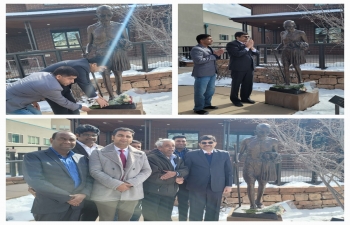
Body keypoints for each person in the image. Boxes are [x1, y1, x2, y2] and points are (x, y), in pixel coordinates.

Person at [22, 131, 92, 221]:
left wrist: (84, 194)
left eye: (71, 140)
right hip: (50, 208)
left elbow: (89, 178)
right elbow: (36, 180)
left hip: (77, 207)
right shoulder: (34, 156)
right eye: (62, 139)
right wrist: (68, 197)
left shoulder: (81, 158)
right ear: (51, 140)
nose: (67, 142)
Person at [89, 127, 151, 221]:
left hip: (130, 191)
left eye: (128, 136)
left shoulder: (140, 154)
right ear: (113, 137)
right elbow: (95, 171)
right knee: (106, 220)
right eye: (120, 135)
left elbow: (146, 171)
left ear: (131, 139)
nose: (124, 138)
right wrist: (117, 184)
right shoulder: (98, 152)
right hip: (106, 192)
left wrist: (131, 183)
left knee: (125, 220)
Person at [86, 5, 133, 100]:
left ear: (112, 15)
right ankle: (111, 96)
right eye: (103, 16)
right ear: (97, 15)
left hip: (117, 54)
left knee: (118, 73)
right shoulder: (91, 28)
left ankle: (119, 93)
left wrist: (124, 44)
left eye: (109, 15)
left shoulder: (120, 26)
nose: (106, 18)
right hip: (101, 55)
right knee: (105, 74)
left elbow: (126, 41)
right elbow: (90, 43)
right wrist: (87, 52)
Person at [6, 66, 91, 115]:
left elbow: (30, 89)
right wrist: (81, 107)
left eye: (74, 79)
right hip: (9, 103)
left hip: (16, 98)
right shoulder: (51, 87)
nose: (72, 82)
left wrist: (34, 101)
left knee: (38, 113)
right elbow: (63, 102)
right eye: (70, 79)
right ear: (58, 77)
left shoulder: (45, 74)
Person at [185, 135, 233, 221]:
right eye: (204, 143)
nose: (207, 144)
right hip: (196, 187)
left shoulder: (224, 154)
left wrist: (228, 185)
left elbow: (228, 171)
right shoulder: (191, 154)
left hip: (216, 187)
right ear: (200, 144)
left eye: (210, 142)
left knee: (213, 211)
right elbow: (186, 170)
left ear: (215, 143)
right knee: (195, 211)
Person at [41, 57, 109, 114]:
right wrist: (97, 98)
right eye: (102, 68)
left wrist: (97, 94)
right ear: (94, 64)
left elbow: (87, 82)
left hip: (62, 87)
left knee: (73, 109)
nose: (102, 71)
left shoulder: (84, 65)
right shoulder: (80, 66)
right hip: (49, 87)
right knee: (62, 110)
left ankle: (76, 123)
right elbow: (84, 84)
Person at [142, 139, 188, 221]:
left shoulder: (177, 158)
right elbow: (154, 176)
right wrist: (176, 179)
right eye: (167, 146)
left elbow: (185, 169)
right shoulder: (151, 158)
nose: (171, 148)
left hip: (170, 193)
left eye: (173, 146)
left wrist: (175, 173)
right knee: (151, 217)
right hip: (153, 193)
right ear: (159, 148)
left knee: (165, 217)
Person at [239, 123, 280, 209]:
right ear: (256, 131)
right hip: (250, 164)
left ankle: (258, 201)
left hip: (264, 165)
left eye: (267, 132)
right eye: (261, 131)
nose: (264, 133)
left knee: (262, 183)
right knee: (250, 184)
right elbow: (240, 153)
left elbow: (276, 154)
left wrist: (273, 157)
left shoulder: (273, 141)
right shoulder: (247, 140)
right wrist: (236, 160)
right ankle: (252, 204)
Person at [73, 124, 103, 221]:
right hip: (77, 189)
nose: (91, 137)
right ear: (77, 135)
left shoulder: (102, 149)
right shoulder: (70, 147)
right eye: (86, 135)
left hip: (97, 189)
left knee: (90, 216)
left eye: (94, 135)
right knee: (74, 217)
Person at [190, 34, 224, 115]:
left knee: (210, 91)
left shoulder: (208, 48)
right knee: (200, 92)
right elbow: (198, 61)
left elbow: (212, 58)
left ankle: (206, 105)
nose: (211, 40)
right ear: (201, 40)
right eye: (209, 39)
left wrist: (217, 55)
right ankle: (198, 108)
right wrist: (214, 55)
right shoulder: (196, 49)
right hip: (202, 74)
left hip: (211, 73)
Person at [226, 31, 259, 107]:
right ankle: (235, 100)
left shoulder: (247, 45)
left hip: (249, 68)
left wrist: (252, 47)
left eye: (248, 36)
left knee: (248, 84)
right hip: (238, 68)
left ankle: (245, 98)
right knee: (236, 85)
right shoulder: (232, 44)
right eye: (245, 36)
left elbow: (257, 53)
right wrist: (247, 47)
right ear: (237, 37)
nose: (247, 38)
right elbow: (237, 54)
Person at [274, 20, 309, 85]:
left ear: (294, 25)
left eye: (290, 26)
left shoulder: (300, 33)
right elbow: (282, 43)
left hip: (295, 52)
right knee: (285, 67)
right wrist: (277, 48)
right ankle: (287, 82)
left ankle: (300, 81)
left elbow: (306, 43)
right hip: (285, 52)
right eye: (286, 27)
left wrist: (301, 45)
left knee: (296, 66)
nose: (288, 28)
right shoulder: (283, 33)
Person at [172, 135, 191, 221]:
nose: (181, 143)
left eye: (183, 141)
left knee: (183, 203)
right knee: (168, 203)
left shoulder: (191, 153)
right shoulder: (168, 152)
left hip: (185, 182)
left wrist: (183, 177)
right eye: (178, 141)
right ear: (173, 142)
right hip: (170, 181)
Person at [129, 139, 142, 221]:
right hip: (125, 188)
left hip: (139, 189)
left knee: (136, 211)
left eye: (139, 147)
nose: (137, 148)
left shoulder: (144, 157)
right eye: (134, 146)